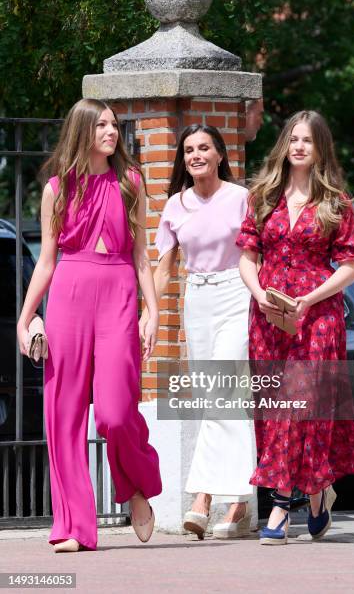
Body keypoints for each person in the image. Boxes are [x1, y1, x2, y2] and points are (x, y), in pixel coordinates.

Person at [16, 99, 162, 552]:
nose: (111, 131)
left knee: (117, 413)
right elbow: (45, 262)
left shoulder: (131, 182)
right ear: (82, 130)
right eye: (101, 124)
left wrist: (152, 311)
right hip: (69, 296)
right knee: (64, 416)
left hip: (118, 293)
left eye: (114, 125)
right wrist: (26, 318)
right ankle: (75, 527)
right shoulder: (57, 189)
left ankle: (137, 488)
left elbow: (141, 255)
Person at [237, 110, 354, 545]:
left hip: (318, 317)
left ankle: (279, 505)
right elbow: (247, 258)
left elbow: (349, 268)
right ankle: (315, 493)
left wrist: (309, 300)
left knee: (303, 404)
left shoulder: (336, 202)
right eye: (293, 139)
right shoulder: (262, 196)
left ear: (319, 148)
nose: (298, 147)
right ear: (284, 145)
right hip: (269, 317)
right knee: (278, 408)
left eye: (307, 141)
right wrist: (258, 294)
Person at [142, 124, 255, 539]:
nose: (196, 155)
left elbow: (254, 255)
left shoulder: (242, 198)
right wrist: (150, 315)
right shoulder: (175, 204)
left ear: (220, 154)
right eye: (188, 150)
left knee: (222, 391)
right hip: (197, 299)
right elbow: (165, 267)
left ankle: (203, 497)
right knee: (217, 396)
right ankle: (239, 503)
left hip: (235, 294)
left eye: (204, 147)